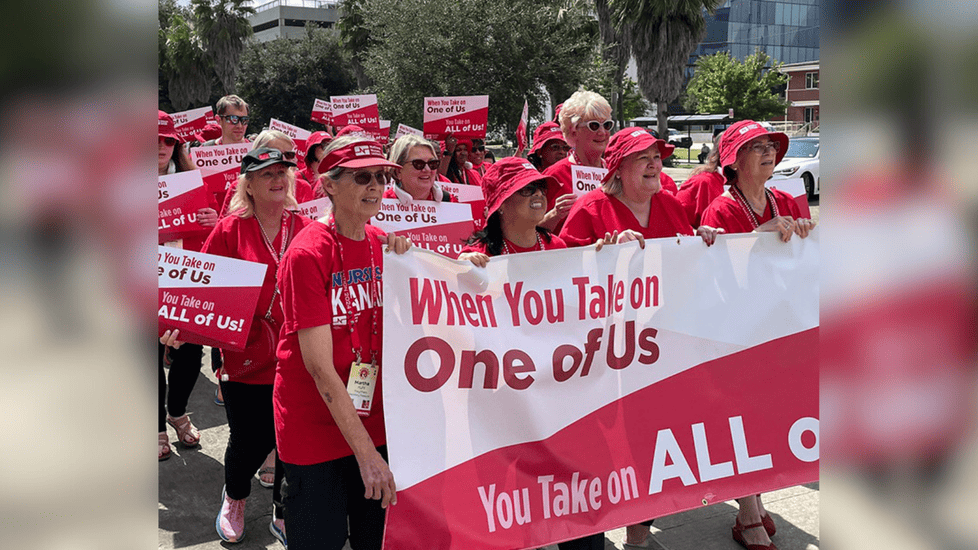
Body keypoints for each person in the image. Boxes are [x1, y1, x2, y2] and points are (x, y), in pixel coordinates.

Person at [458, 157, 609, 550]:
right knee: (508, 520)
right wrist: (454, 273)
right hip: (504, 417)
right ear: (500, 204)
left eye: (540, 187)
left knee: (581, 519)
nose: (538, 195)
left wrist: (619, 252)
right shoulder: (476, 260)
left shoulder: (560, 250)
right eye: (525, 190)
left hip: (561, 411)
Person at [275, 136, 411, 550]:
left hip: (373, 419)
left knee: (376, 539)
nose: (375, 186)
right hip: (314, 427)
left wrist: (462, 266)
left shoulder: (383, 245)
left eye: (381, 177)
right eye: (362, 177)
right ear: (329, 184)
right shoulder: (307, 254)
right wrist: (367, 456)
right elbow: (318, 367)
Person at [700, 120, 816, 550]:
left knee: (769, 416)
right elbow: (715, 275)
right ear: (734, 161)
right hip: (736, 331)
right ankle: (747, 511)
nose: (768, 152)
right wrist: (754, 238)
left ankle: (757, 500)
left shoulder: (785, 198)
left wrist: (803, 235)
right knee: (740, 419)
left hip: (779, 328)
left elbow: (805, 265)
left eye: (771, 145)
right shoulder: (721, 210)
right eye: (756, 147)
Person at [195, 147, 314, 545]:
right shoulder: (229, 230)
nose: (278, 179)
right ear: (248, 184)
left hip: (299, 355)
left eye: (282, 172)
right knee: (248, 441)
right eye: (267, 174)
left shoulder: (306, 226)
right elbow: (204, 292)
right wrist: (180, 329)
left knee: (290, 441)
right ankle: (236, 496)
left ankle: (282, 512)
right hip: (245, 357)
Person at [158, 110, 218, 461]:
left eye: (167, 139)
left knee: (190, 354)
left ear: (176, 142)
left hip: (186, 280)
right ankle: (155, 428)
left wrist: (213, 219)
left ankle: (176, 412)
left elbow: (212, 233)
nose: (160, 147)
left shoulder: (193, 180)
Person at [559, 128, 722, 250]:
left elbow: (683, 252)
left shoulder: (670, 204)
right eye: (643, 158)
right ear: (617, 170)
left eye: (656, 157)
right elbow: (564, 268)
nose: (653, 165)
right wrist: (606, 252)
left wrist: (699, 237)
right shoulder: (589, 209)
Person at [541, 90, 613, 232]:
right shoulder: (555, 174)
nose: (602, 132)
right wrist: (555, 214)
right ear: (573, 131)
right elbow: (530, 230)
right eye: (594, 125)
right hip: (570, 252)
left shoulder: (616, 171)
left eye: (607, 125)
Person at [219, 130, 314, 217]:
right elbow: (224, 227)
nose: (282, 159)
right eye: (275, 153)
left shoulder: (303, 187)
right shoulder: (238, 186)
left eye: (289, 155)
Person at [384, 135, 457, 203]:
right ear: (398, 171)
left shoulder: (450, 201)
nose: (427, 169)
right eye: (418, 164)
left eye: (432, 163)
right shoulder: (381, 205)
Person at [675, 134, 724, 228]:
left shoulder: (758, 184)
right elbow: (677, 226)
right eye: (756, 148)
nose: (761, 154)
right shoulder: (702, 183)